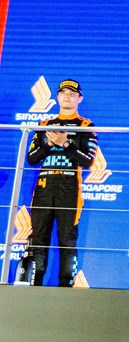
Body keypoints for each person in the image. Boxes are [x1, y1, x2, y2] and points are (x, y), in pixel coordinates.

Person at [26, 79, 98, 286]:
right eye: (63, 92)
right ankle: (34, 285)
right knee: (38, 237)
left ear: (80, 98)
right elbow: (31, 159)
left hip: (69, 189)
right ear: (57, 97)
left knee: (67, 239)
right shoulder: (43, 125)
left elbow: (88, 161)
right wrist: (49, 143)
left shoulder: (86, 126)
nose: (67, 96)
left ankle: (65, 287)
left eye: (72, 93)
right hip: (43, 188)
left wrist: (65, 143)